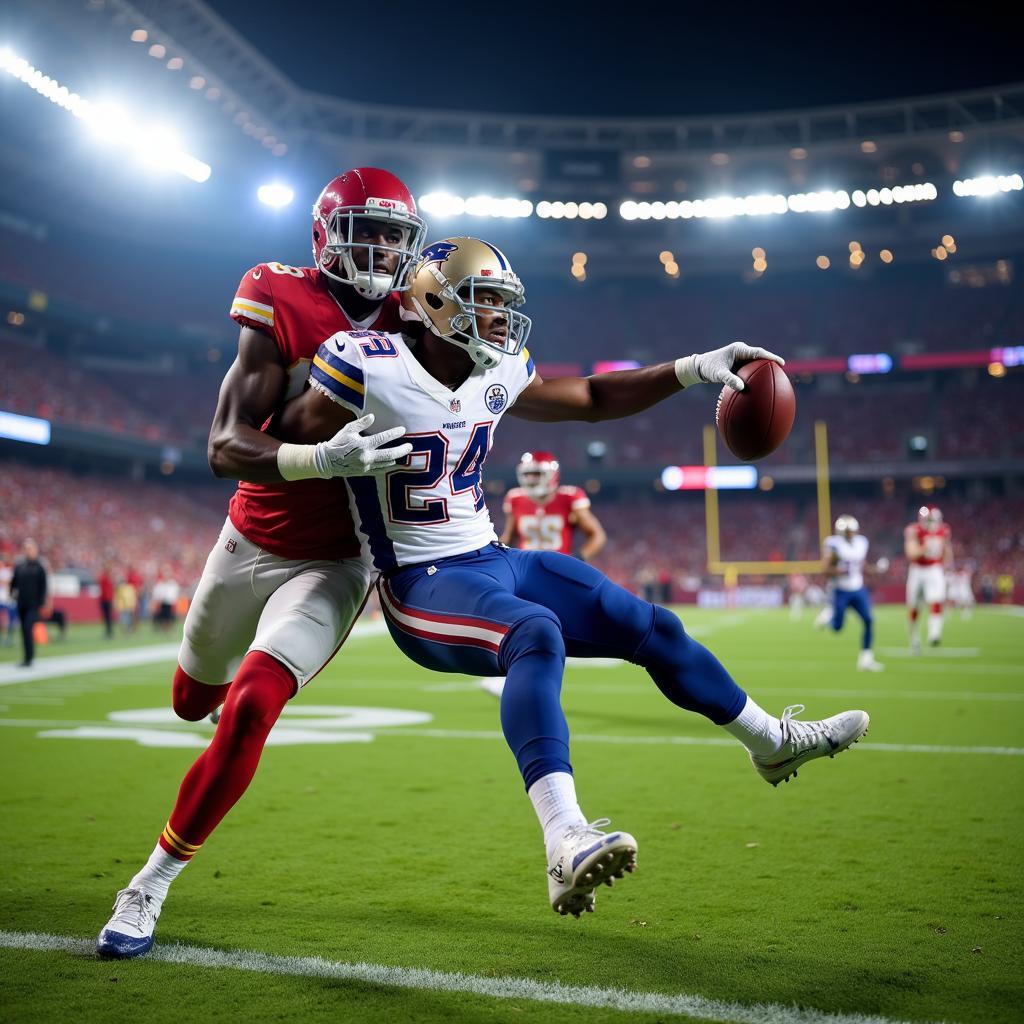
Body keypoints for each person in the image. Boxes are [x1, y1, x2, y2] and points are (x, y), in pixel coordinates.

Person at [275, 235, 871, 919]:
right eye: (484, 299)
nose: (499, 315)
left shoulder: (494, 369)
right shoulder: (363, 366)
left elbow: (588, 394)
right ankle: (564, 838)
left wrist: (696, 368)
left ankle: (771, 742)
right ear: (433, 303)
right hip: (418, 579)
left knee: (646, 622)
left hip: (493, 556)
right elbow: (270, 440)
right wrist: (320, 455)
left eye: (503, 301)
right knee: (535, 631)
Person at [95, 168, 423, 960]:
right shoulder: (278, 293)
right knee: (187, 701)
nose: (380, 248)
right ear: (325, 236)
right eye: (365, 231)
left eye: (392, 234)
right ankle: (212, 699)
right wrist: (321, 456)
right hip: (248, 539)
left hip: (335, 563)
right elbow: (222, 447)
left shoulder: (424, 311)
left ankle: (147, 885)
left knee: (249, 708)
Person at [482, 452, 606, 698]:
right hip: (525, 570)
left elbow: (597, 535)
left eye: (536, 474)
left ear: (551, 474)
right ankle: (518, 677)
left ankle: (531, 681)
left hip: (556, 570)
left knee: (542, 628)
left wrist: (577, 561)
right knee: (519, 624)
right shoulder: (515, 499)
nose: (531, 479)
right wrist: (494, 553)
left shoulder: (569, 497)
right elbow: (509, 535)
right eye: (527, 474)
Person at [815, 515, 884, 672]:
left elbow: (861, 565)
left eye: (852, 531)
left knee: (868, 620)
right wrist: (839, 571)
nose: (850, 534)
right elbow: (825, 570)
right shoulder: (834, 546)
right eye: (848, 532)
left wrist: (875, 569)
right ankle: (829, 614)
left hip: (857, 589)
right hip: (840, 591)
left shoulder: (861, 543)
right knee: (837, 628)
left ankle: (866, 659)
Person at [905, 503, 952, 652]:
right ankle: (914, 638)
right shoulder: (913, 531)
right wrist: (924, 548)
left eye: (934, 520)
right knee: (915, 606)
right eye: (929, 520)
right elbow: (911, 554)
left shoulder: (944, 530)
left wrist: (946, 566)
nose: (932, 524)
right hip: (918, 569)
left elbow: (947, 550)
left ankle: (934, 634)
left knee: (937, 599)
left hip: (934, 568)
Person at [10, 539, 47, 667]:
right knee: (23, 630)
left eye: (30, 549)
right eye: (26, 549)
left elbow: (44, 586)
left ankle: (29, 657)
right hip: (21, 603)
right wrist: (12, 594)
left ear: (35, 551)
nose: (28, 551)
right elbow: (13, 582)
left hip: (34, 604)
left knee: (27, 628)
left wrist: (42, 603)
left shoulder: (39, 567)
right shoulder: (20, 566)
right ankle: (26, 657)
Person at [98, 565, 115, 639]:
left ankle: (109, 632)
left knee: (108, 617)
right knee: (107, 617)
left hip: (107, 600)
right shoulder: (104, 578)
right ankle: (108, 632)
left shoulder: (107, 578)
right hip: (105, 600)